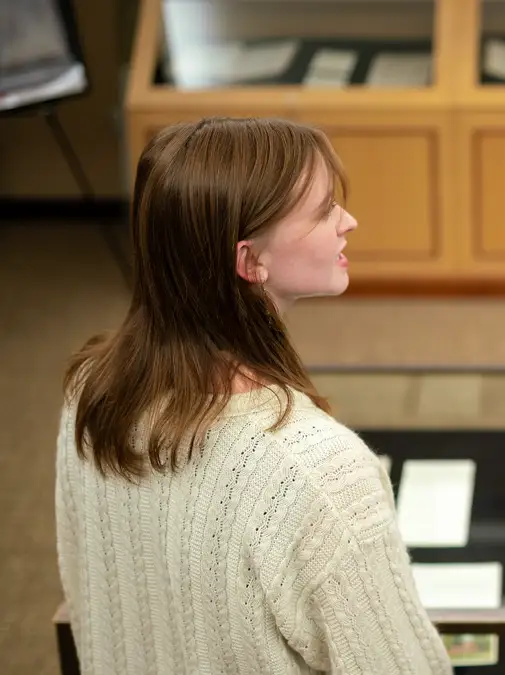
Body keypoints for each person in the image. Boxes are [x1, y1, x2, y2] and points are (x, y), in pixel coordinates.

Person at [55, 117, 454, 675]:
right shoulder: (320, 470)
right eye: (322, 211)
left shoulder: (89, 390)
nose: (349, 221)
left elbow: (90, 591)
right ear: (249, 262)